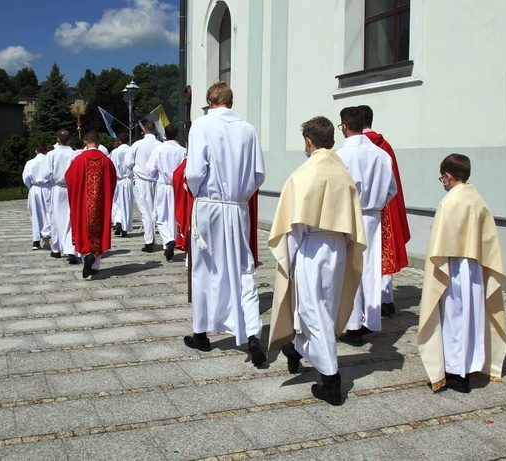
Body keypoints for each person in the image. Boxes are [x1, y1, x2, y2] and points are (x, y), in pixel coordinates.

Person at [267, 116, 366, 405]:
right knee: (325, 306)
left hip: (312, 247)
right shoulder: (342, 173)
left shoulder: (303, 174)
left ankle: (331, 380)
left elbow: (294, 227)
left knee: (312, 310)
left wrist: (289, 258)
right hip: (337, 246)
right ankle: (297, 349)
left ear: (308, 142)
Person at [183, 82, 266, 366]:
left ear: (209, 101)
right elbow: (258, 174)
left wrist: (196, 192)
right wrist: (240, 195)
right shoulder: (248, 129)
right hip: (238, 207)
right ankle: (253, 332)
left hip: (209, 204)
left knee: (205, 267)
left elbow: (194, 171)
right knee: (243, 268)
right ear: (231, 101)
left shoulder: (202, 125)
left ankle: (201, 333)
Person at [418, 154, 506, 394]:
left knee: (454, 318)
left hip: (454, 268)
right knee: (472, 315)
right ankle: (471, 363)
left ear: (447, 176)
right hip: (475, 268)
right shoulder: (478, 200)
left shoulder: (450, 201)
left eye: (442, 178)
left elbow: (441, 241)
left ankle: (456, 374)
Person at [336, 106, 396, 346]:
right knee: (370, 270)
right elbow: (392, 189)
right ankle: (370, 319)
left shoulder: (342, 155)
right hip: (373, 216)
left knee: (350, 270)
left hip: (350, 216)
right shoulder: (382, 155)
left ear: (344, 126)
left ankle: (352, 325)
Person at [358, 105, 410, 318]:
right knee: (383, 253)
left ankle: (364, 307)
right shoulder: (385, 145)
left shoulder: (358, 146)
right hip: (384, 208)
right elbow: (392, 182)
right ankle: (386, 299)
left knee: (364, 258)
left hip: (362, 209)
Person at [65, 130, 117, 278]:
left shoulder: (79, 160)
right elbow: (113, 181)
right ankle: (94, 265)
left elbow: (69, 179)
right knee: (98, 230)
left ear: (86, 143)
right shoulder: (106, 161)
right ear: (99, 143)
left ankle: (86, 255)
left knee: (83, 226)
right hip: (100, 204)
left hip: (83, 203)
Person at [146, 123, 186, 261]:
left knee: (160, 217)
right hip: (178, 187)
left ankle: (168, 240)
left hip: (164, 185)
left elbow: (150, 169)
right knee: (174, 216)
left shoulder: (160, 149)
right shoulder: (182, 150)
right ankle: (171, 241)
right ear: (177, 135)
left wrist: (158, 176)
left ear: (164, 135)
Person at [126, 121, 162, 252]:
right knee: (156, 210)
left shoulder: (138, 144)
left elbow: (128, 162)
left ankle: (149, 241)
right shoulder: (159, 145)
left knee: (145, 211)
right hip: (157, 180)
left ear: (144, 130)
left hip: (142, 180)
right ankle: (162, 239)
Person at [47, 129, 78, 264]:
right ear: (70, 140)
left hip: (57, 188)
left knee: (56, 219)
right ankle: (71, 249)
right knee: (70, 219)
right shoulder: (74, 154)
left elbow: (46, 174)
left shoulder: (52, 154)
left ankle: (57, 248)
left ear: (57, 139)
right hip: (71, 189)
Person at [22, 142, 52, 250]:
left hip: (34, 188)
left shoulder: (30, 163)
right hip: (46, 188)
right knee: (48, 212)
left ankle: (36, 241)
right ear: (45, 150)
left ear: (36, 150)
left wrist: (31, 187)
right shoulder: (48, 161)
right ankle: (47, 235)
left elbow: (25, 178)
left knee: (35, 213)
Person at [109, 132, 132, 237]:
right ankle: (124, 226)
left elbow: (112, 166)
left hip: (118, 179)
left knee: (116, 202)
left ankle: (117, 222)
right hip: (127, 179)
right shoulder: (131, 150)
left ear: (119, 141)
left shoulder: (115, 152)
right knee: (126, 203)